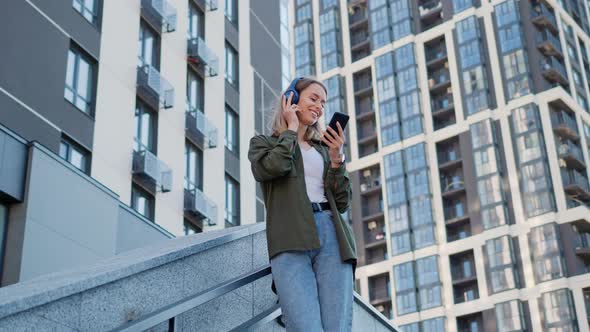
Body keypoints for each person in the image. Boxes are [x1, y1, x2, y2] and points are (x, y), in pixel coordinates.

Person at [248, 77, 357, 331]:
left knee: (336, 327)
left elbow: (342, 202)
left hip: (332, 235)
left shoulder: (323, 150)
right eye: (313, 98)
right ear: (292, 99)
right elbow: (274, 167)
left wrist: (337, 159)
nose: (319, 106)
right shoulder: (263, 144)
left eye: (323, 102)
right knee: (304, 325)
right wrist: (290, 131)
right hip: (289, 239)